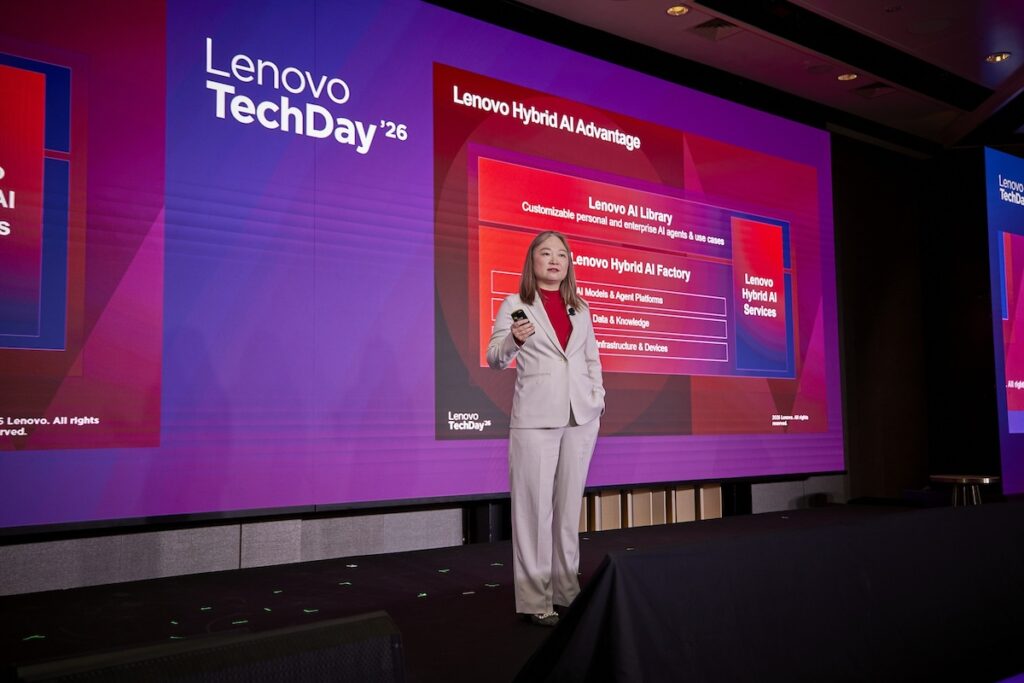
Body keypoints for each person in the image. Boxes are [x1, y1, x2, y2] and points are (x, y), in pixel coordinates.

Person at [487, 230, 605, 627]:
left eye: (562, 255)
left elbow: (591, 359)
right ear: (532, 260)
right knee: (534, 511)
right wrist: (513, 341)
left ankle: (567, 590)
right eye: (546, 253)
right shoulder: (515, 304)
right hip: (536, 419)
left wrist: (597, 397)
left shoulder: (580, 308)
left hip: (581, 417)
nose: (555, 260)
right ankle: (536, 599)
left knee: (568, 510)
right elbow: (494, 358)